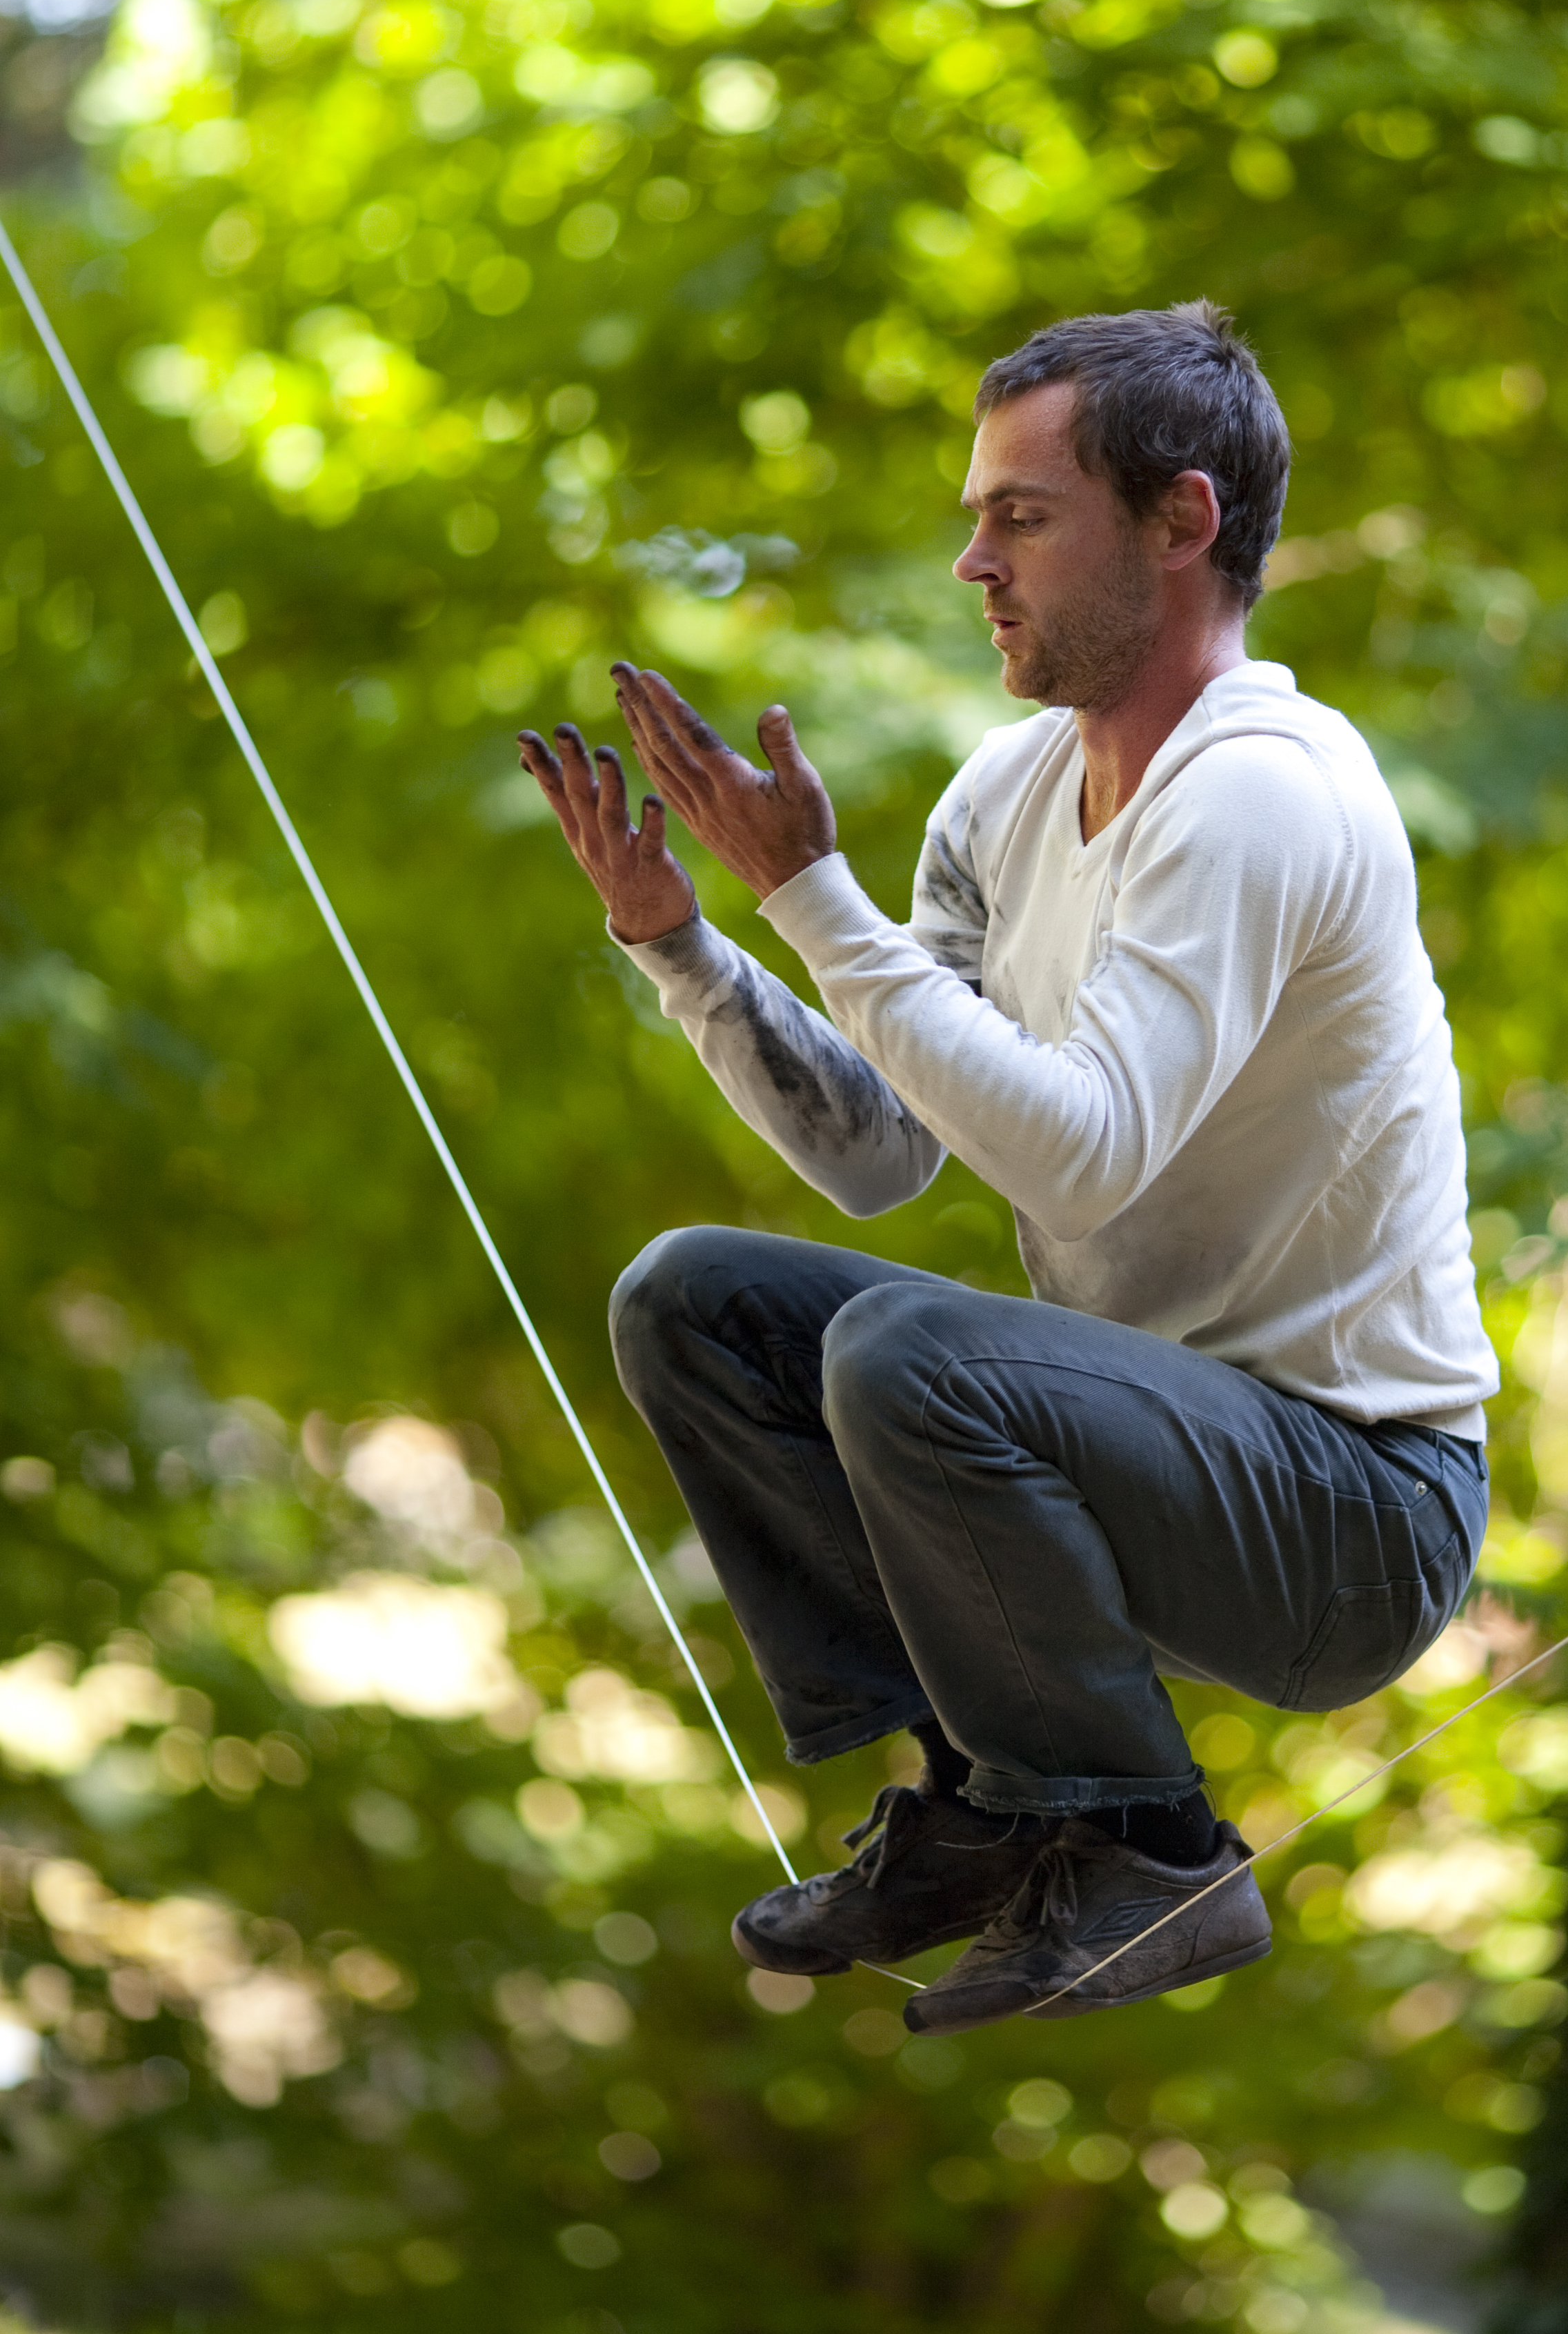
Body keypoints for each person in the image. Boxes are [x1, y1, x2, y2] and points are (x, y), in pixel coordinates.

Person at [518, 301, 1495, 2035]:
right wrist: (682, 945)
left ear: (1180, 524)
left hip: (1353, 1518)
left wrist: (813, 902)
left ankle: (1151, 1850)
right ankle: (979, 1804)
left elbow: (1088, 1157)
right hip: (1104, 1475)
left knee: (905, 1358)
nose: (973, 561)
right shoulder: (1005, 788)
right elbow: (886, 1151)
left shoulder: (1267, 789)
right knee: (698, 1302)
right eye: (977, 516)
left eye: (1021, 517)